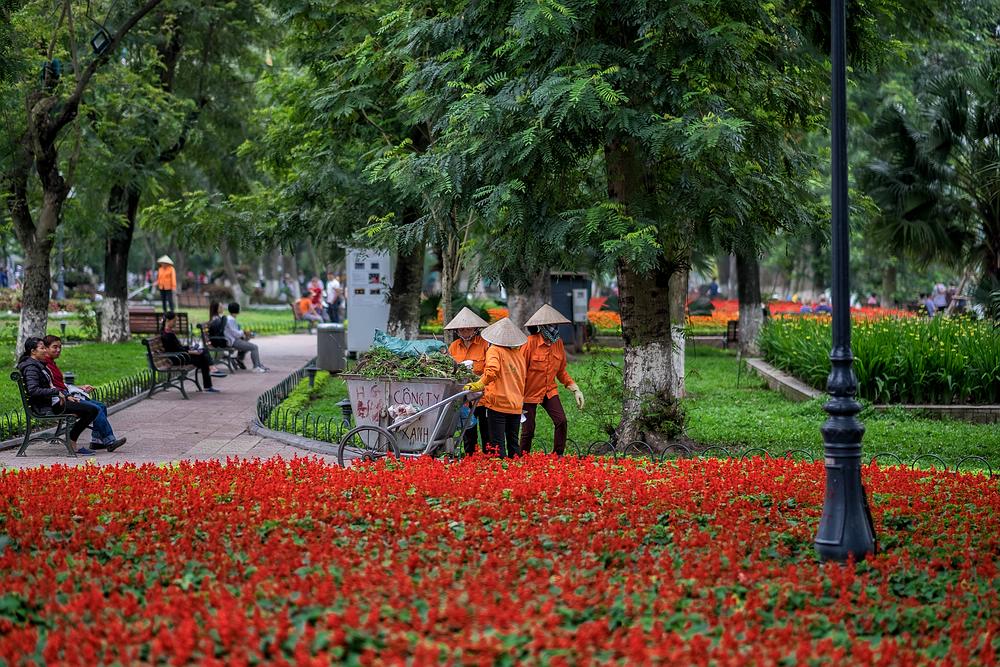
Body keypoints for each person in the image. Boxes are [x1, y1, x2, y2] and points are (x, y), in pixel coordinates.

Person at [17, 337, 102, 456]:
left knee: (91, 409)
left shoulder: (38, 365)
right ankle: (72, 442)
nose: (45, 351)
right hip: (47, 406)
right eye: (42, 348)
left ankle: (72, 441)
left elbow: (49, 386)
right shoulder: (31, 368)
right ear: (33, 351)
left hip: (54, 402)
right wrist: (57, 392)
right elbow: (33, 390)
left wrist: (65, 396)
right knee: (92, 410)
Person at [42, 335, 127, 452]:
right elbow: (53, 387)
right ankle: (110, 441)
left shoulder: (51, 363)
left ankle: (97, 442)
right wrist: (68, 394)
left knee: (101, 406)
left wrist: (79, 387)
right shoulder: (45, 365)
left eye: (60, 347)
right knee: (96, 408)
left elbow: (60, 384)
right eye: (54, 347)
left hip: (66, 396)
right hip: (61, 400)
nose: (58, 350)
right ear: (45, 348)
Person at [519, 304, 584, 456]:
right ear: (542, 326)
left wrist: (575, 388)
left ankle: (558, 455)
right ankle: (521, 459)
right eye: (550, 325)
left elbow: (561, 371)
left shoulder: (558, 343)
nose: (553, 328)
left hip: (549, 391)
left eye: (555, 325)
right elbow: (519, 372)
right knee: (528, 429)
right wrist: (516, 396)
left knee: (561, 421)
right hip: (528, 393)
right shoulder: (529, 343)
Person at [463, 317, 526, 458]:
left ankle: (502, 476)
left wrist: (479, 384)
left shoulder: (494, 350)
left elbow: (491, 371)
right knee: (513, 444)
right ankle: (519, 475)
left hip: (498, 404)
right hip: (516, 404)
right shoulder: (518, 354)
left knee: (498, 446)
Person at [445, 307, 490, 455]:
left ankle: (488, 457)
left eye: (468, 329)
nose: (465, 332)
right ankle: (470, 458)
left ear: (475, 329)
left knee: (486, 429)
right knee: (468, 431)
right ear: (457, 331)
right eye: (461, 329)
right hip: (463, 396)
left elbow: (490, 369)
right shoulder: (453, 346)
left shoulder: (485, 344)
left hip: (483, 395)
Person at [161, 312, 220, 392]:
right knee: (203, 358)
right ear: (168, 320)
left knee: (203, 353)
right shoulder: (168, 335)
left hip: (180, 355)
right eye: (174, 321)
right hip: (178, 358)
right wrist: (193, 352)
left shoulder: (168, 332)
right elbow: (178, 350)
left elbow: (178, 348)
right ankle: (210, 374)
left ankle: (211, 371)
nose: (175, 323)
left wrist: (191, 347)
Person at [224, 302, 268, 372]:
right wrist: (244, 331)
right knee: (254, 347)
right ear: (237, 310)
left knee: (248, 342)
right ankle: (256, 367)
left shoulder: (229, 318)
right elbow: (236, 334)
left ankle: (258, 365)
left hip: (233, 340)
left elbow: (234, 333)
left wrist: (245, 334)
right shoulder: (231, 320)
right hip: (233, 342)